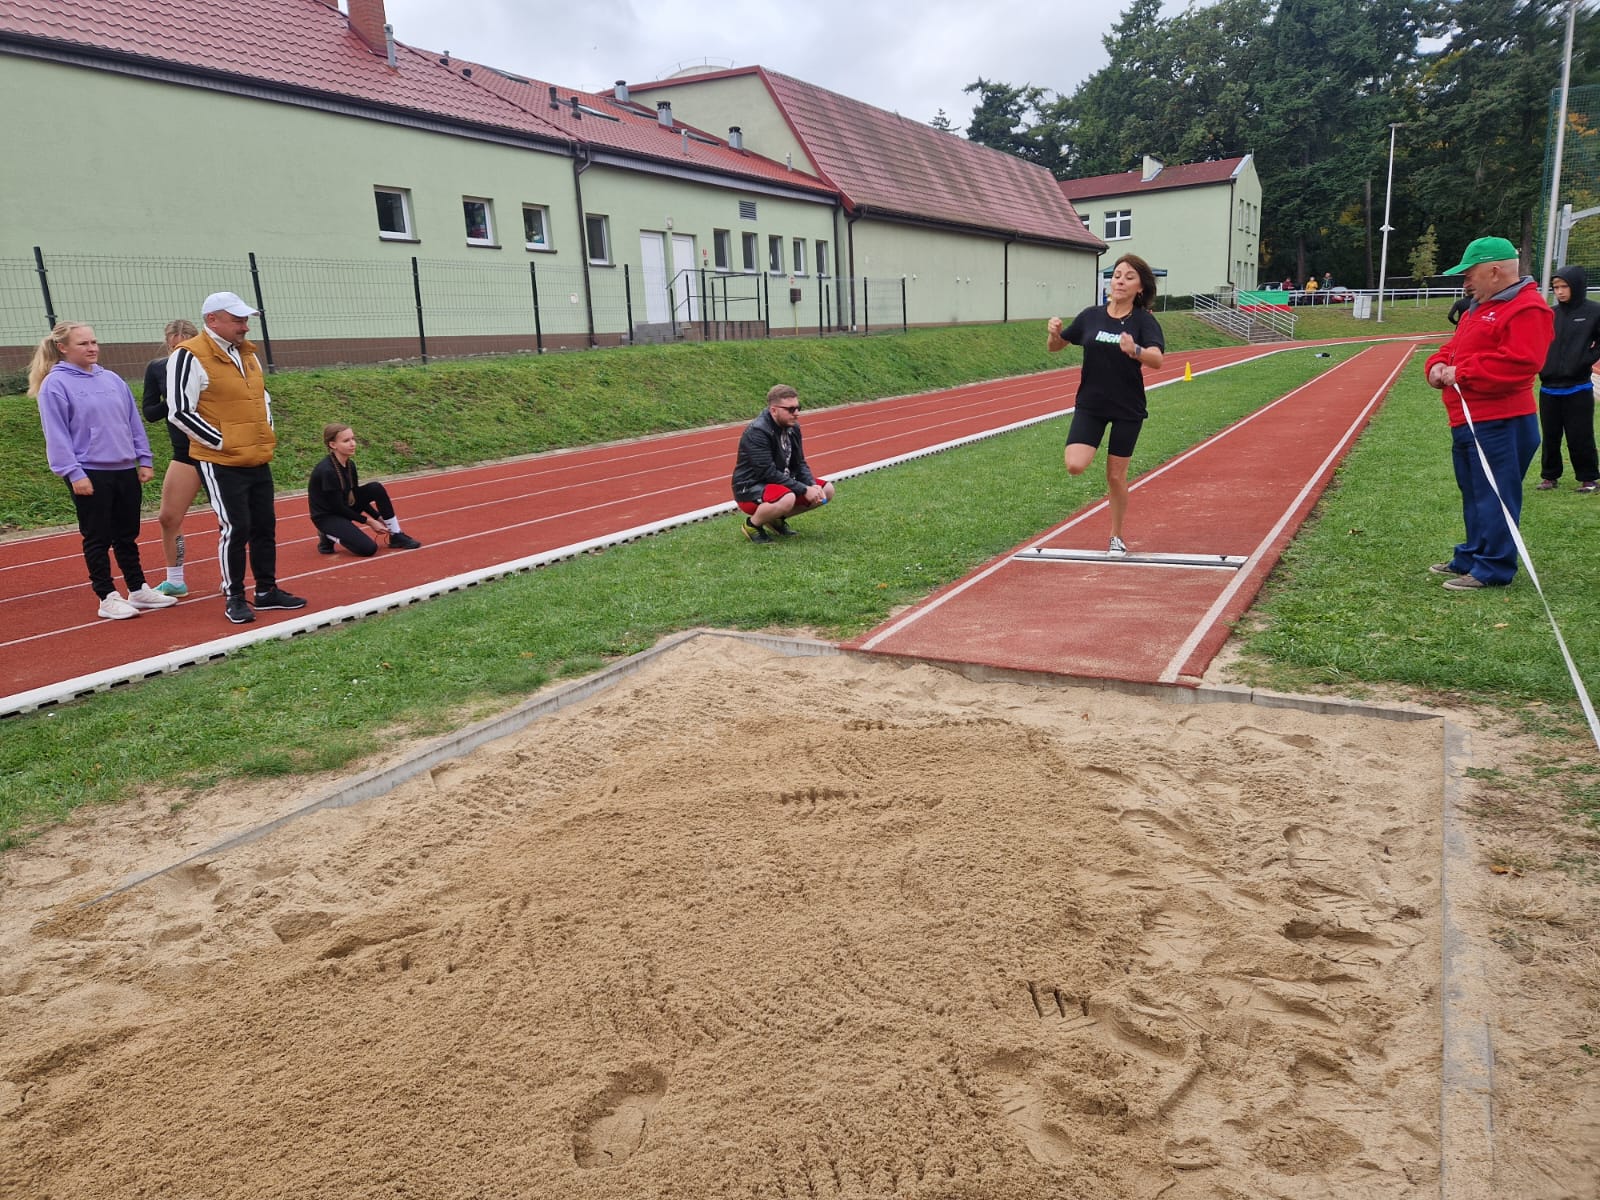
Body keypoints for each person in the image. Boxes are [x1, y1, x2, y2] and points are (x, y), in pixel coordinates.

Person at [168, 291, 306, 624]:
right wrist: (222, 442)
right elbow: (180, 411)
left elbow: (262, 398)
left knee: (264, 525)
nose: (244, 326)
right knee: (236, 527)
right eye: (237, 320)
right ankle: (234, 596)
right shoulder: (188, 355)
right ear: (212, 320)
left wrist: (264, 433)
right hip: (220, 461)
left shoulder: (247, 354)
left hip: (256, 455)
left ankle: (266, 590)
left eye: (245, 320)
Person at [1423, 236, 1553, 590]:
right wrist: (1436, 365)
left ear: (1494, 271)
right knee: (1475, 492)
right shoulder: (1478, 307)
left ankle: (1493, 567)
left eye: (1470, 273)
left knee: (1495, 495)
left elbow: (1521, 363)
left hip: (1501, 421)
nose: (1465, 281)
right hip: (1469, 419)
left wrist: (1461, 373)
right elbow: (1454, 347)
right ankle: (1472, 555)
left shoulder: (1527, 308)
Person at [29, 323, 179, 620]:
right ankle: (106, 595)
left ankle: (137, 588)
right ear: (62, 347)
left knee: (127, 534)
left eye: (94, 342)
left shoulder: (111, 379)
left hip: (124, 468)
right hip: (89, 471)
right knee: (97, 536)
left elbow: (132, 420)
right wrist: (73, 473)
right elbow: (56, 434)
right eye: (83, 343)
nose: (92, 348)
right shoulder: (55, 384)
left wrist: (144, 458)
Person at [1046, 252, 1166, 555]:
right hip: (1092, 405)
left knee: (1115, 475)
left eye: (1129, 277)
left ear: (1140, 287)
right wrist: (1054, 334)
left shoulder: (1144, 320)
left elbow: (1157, 359)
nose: (1120, 281)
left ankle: (1116, 535)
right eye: (1117, 275)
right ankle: (1093, 441)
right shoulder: (1091, 316)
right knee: (1075, 465)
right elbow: (1056, 347)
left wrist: (1135, 349)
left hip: (1127, 407)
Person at [141, 318, 201, 596]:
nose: (181, 354)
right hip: (184, 454)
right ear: (168, 345)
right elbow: (150, 413)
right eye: (176, 348)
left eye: (187, 348)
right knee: (168, 517)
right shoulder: (157, 368)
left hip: (217, 451)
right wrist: (174, 401)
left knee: (232, 518)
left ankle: (239, 577)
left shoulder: (210, 366)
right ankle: (175, 580)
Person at [730, 384, 834, 543]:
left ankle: (774, 518)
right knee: (787, 498)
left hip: (778, 484)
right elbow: (767, 473)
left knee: (826, 490)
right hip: (751, 487)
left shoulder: (793, 427)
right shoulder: (758, 432)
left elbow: (799, 463)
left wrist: (812, 484)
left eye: (798, 408)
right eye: (791, 409)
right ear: (774, 410)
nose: (796, 413)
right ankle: (752, 525)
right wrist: (803, 489)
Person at [308, 424, 424, 555]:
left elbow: (354, 498)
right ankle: (327, 535)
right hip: (328, 516)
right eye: (346, 441)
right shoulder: (327, 471)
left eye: (353, 439)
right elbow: (338, 507)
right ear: (333, 445)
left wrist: (378, 517)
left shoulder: (350, 465)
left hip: (343, 508)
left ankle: (396, 534)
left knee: (375, 488)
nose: (353, 444)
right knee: (368, 549)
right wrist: (369, 522)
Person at [1535, 265, 1600, 493]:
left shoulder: (1594, 311)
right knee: (1550, 436)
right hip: (1549, 388)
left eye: (1564, 286)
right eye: (1556, 287)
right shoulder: (1549, 314)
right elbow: (1538, 342)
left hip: (1578, 387)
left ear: (1577, 286)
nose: (1560, 291)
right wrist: (1543, 364)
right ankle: (1549, 476)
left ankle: (1589, 479)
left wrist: (1585, 359)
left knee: (1580, 435)